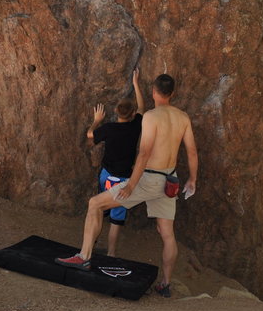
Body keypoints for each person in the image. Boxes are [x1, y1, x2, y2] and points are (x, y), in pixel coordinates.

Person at [56, 73, 198, 298]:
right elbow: (191, 150)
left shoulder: (151, 116)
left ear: (153, 91)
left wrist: (131, 185)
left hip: (149, 178)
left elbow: (144, 153)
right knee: (167, 233)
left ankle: (83, 257)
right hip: (170, 180)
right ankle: (166, 284)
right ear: (173, 93)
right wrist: (192, 179)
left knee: (95, 204)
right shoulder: (183, 117)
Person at [87, 69, 145, 256]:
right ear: (133, 114)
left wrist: (96, 121)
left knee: (98, 209)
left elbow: (90, 136)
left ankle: (91, 244)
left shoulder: (109, 128)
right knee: (116, 219)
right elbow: (143, 109)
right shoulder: (136, 126)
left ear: (116, 112)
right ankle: (111, 254)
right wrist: (136, 83)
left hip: (107, 175)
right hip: (124, 180)